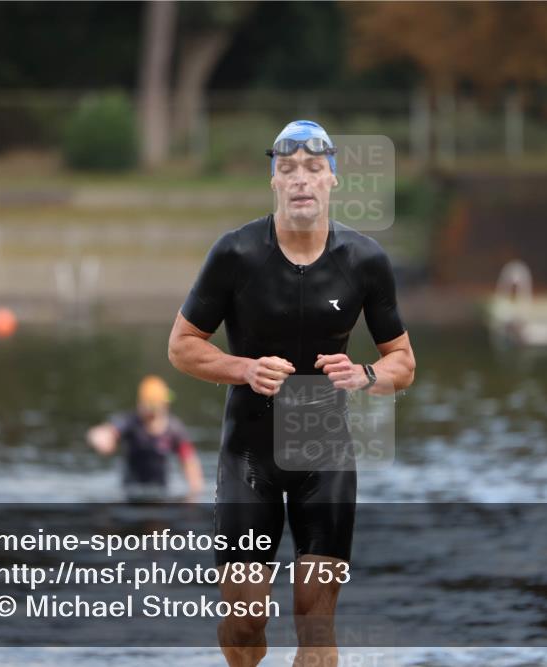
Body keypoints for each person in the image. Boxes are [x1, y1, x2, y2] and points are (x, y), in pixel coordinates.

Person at [168, 120, 416, 667]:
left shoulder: (364, 260)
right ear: (273, 182)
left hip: (323, 455)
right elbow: (182, 347)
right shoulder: (236, 254)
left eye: (313, 169)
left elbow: (403, 362)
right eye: (287, 170)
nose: (300, 180)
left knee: (315, 617)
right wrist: (243, 368)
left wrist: (367, 376)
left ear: (332, 180)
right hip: (249, 456)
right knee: (246, 616)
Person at [86, 375, 204, 500]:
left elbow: (189, 461)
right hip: (130, 492)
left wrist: (194, 493)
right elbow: (104, 433)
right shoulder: (130, 422)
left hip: (161, 493)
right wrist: (101, 439)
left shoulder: (174, 429)